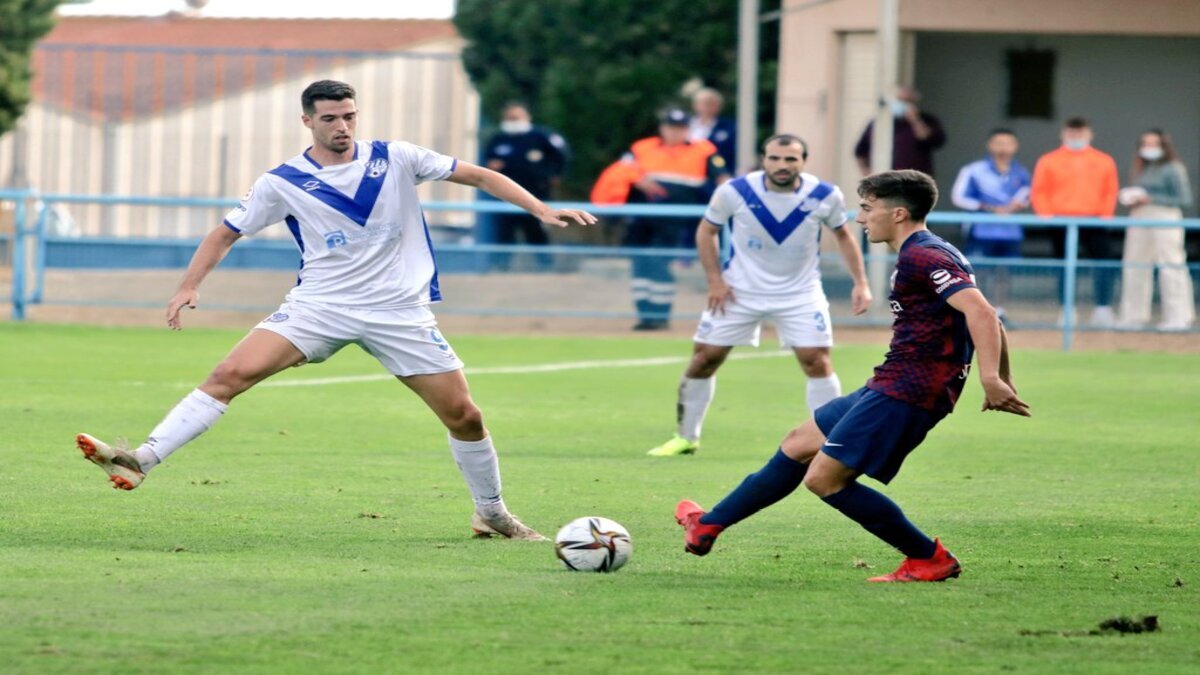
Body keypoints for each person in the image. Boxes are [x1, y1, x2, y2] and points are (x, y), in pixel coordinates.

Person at [75, 80, 596, 541]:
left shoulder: (397, 156)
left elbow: (480, 176)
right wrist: (188, 286)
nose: (342, 126)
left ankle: (492, 513)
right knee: (227, 375)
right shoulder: (281, 181)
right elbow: (226, 232)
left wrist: (542, 210)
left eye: (349, 115)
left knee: (466, 416)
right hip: (320, 306)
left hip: (398, 311)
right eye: (330, 118)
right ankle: (141, 459)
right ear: (307, 121)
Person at [674, 170, 1030, 582]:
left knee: (824, 479)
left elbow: (982, 312)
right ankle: (709, 525)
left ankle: (927, 557)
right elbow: (987, 316)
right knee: (799, 443)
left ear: (897, 213)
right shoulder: (925, 250)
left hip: (912, 388)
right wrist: (1001, 376)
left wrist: (990, 377)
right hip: (893, 379)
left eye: (867, 208)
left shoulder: (924, 255)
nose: (860, 218)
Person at [647, 134, 872, 457]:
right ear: (763, 159)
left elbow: (844, 237)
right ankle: (686, 437)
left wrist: (860, 283)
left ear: (803, 162)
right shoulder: (735, 191)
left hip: (800, 293)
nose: (782, 165)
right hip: (738, 292)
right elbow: (706, 231)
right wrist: (715, 281)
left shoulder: (825, 195)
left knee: (817, 361)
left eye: (791, 159)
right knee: (704, 358)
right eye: (775, 158)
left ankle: (829, 444)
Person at [591, 108, 730, 330]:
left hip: (676, 217)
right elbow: (620, 170)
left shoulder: (703, 150)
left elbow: (722, 178)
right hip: (643, 215)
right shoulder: (642, 147)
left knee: (659, 261)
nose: (675, 133)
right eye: (671, 128)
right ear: (662, 128)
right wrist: (638, 179)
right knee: (639, 261)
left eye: (680, 128)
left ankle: (660, 314)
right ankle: (645, 313)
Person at [1030, 117, 1120, 327]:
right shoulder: (1049, 160)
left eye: (1080, 133)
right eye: (1072, 133)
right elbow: (1039, 191)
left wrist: (1105, 216)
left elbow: (1110, 190)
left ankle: (1103, 308)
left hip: (1094, 221)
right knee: (1064, 266)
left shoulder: (1104, 160)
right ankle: (1067, 308)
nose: (1076, 137)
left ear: (1089, 134)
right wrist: (1047, 215)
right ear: (1063, 134)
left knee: (1104, 264)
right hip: (1061, 221)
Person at [950, 128, 1032, 323]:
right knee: (978, 271)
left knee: (1004, 272)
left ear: (1015, 146)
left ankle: (999, 311)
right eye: (998, 143)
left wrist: (1015, 206)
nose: (1003, 148)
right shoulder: (973, 170)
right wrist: (985, 207)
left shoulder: (1021, 173)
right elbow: (958, 197)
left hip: (1010, 232)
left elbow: (1027, 194)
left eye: (1007, 143)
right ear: (990, 145)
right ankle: (977, 310)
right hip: (980, 230)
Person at [1117, 129, 1195, 331]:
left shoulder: (1173, 168)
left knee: (1171, 265)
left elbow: (1185, 200)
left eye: (1154, 144)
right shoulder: (1142, 167)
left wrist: (1152, 199)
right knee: (1135, 265)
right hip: (1140, 216)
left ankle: (1178, 316)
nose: (1149, 148)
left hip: (1165, 216)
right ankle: (1133, 316)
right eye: (1145, 144)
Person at [483, 101, 570, 271]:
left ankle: (546, 267)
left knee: (536, 232)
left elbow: (561, 156)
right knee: (504, 234)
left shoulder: (541, 137)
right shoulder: (498, 139)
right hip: (504, 199)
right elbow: (488, 163)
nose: (513, 121)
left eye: (516, 117)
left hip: (535, 195)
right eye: (509, 117)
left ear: (527, 117)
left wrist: (553, 175)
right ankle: (500, 268)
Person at [854, 86, 946, 177]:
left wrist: (915, 120)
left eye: (907, 101)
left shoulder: (926, 120)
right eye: (900, 100)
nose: (903, 104)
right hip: (887, 180)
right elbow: (860, 151)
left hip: (916, 180)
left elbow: (930, 139)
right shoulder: (879, 123)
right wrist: (868, 175)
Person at [689, 87, 737, 171]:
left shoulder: (728, 127)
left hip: (717, 171)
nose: (707, 107)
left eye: (712, 104)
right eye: (704, 103)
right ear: (695, 105)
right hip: (689, 169)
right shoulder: (686, 125)